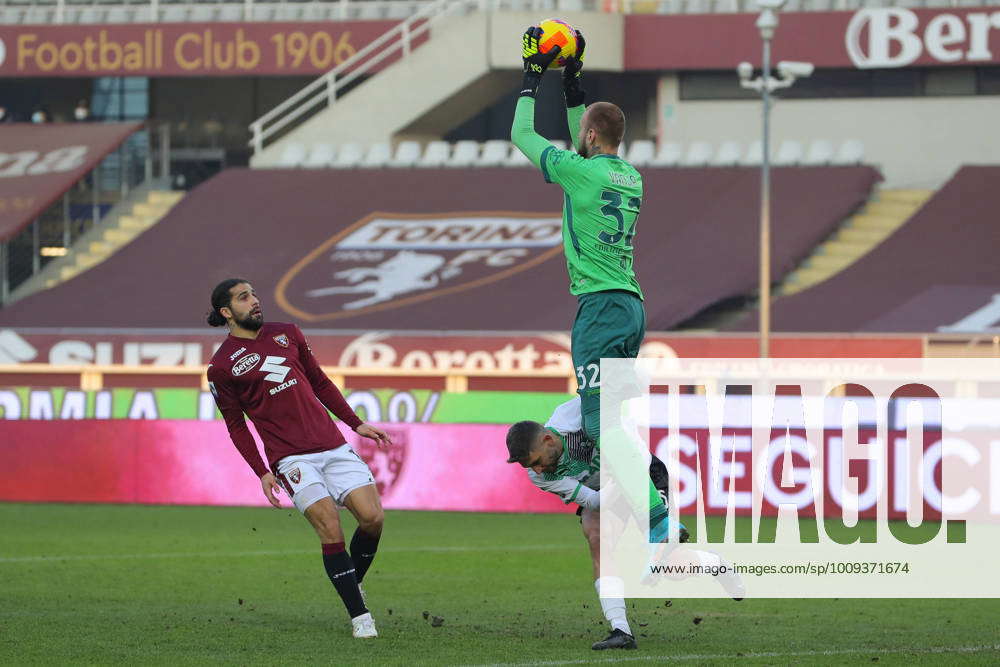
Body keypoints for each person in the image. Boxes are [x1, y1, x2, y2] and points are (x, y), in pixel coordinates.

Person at [511, 27, 672, 544]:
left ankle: (658, 518)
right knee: (610, 423)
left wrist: (533, 76)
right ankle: (651, 502)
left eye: (584, 131)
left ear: (592, 138)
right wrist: (573, 84)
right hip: (631, 305)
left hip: (599, 309)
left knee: (603, 428)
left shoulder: (580, 173)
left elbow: (521, 136)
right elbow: (586, 144)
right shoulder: (630, 175)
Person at [205, 278, 391, 639]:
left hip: (333, 446)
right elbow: (236, 426)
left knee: (372, 519)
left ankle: (352, 582)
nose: (255, 301)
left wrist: (356, 423)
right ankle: (360, 617)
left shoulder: (287, 333)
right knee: (330, 528)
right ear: (227, 312)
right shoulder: (222, 367)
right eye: (244, 298)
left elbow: (320, 382)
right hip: (291, 460)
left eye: (254, 294)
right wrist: (261, 471)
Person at [506, 397, 742, 651]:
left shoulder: (576, 414)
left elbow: (633, 448)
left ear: (548, 440)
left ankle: (714, 563)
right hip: (604, 490)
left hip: (642, 473)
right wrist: (613, 487)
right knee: (596, 537)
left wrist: (627, 482)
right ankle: (621, 630)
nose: (538, 471)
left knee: (671, 568)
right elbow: (594, 500)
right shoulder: (538, 476)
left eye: (536, 461)